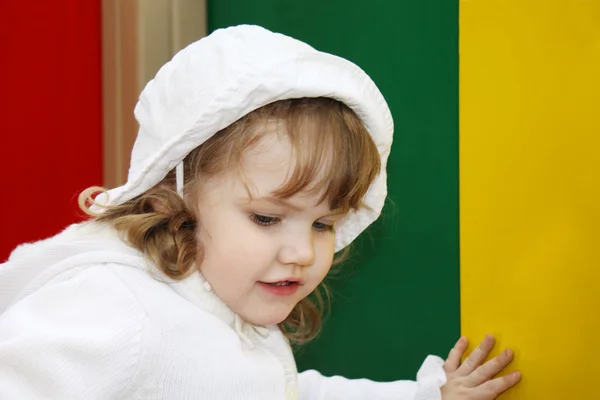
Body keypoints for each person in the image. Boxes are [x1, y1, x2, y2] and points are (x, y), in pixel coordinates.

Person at [0, 25, 520, 399]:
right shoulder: (119, 306)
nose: (301, 252)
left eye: (323, 224)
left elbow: (287, 391)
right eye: (267, 219)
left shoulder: (225, 304)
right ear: (173, 195)